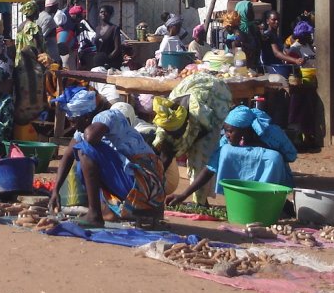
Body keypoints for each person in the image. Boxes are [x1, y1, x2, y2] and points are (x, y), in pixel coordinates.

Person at [48, 89, 165, 227]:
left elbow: (90, 137)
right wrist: (56, 191)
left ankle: (94, 215)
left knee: (85, 151)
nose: (73, 126)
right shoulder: (85, 129)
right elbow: (67, 155)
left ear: (86, 117)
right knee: (80, 154)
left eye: (74, 121)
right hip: (137, 186)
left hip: (146, 185)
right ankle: (107, 210)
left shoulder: (108, 115)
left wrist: (83, 133)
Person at [166, 105, 297, 206]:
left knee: (274, 157)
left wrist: (260, 149)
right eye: (225, 130)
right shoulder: (226, 142)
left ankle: (273, 201)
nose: (227, 134)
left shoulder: (270, 133)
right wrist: (183, 195)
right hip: (243, 187)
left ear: (245, 130)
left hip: (271, 182)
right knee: (226, 151)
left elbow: (291, 155)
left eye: (230, 131)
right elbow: (210, 169)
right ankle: (242, 198)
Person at [150, 72, 233, 204]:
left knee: (200, 154)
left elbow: (204, 131)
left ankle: (200, 202)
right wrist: (153, 188)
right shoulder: (165, 118)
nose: (175, 136)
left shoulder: (199, 114)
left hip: (215, 94)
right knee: (170, 148)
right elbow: (165, 155)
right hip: (193, 87)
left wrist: (186, 145)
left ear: (185, 124)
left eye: (178, 133)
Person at [14, 0, 48, 125]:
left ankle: (21, 121)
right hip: (32, 66)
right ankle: (33, 121)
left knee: (21, 94)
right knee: (34, 94)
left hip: (20, 65)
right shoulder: (33, 27)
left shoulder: (20, 27)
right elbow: (38, 47)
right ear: (35, 12)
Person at [234, 0, 261, 69]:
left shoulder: (253, 27)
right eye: (249, 10)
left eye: (252, 10)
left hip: (254, 65)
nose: (252, 13)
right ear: (241, 12)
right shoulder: (236, 30)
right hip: (240, 67)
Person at [94, 4, 122, 69]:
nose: (103, 13)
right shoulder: (97, 29)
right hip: (100, 62)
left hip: (112, 62)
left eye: (106, 12)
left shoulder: (114, 28)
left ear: (110, 14)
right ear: (99, 15)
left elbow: (117, 49)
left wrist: (107, 60)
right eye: (101, 12)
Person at [56, 3, 84, 69]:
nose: (80, 18)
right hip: (67, 57)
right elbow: (63, 46)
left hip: (68, 55)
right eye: (78, 16)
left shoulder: (74, 23)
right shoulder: (67, 30)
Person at [37, 0, 60, 64]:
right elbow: (42, 37)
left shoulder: (40, 15)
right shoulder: (49, 19)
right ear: (52, 6)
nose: (57, 8)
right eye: (56, 6)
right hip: (50, 56)